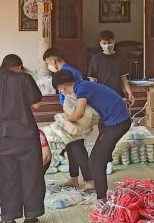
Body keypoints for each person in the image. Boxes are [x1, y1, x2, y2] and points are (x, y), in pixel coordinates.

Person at [0, 55, 47, 223]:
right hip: (27, 135)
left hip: (5, 137)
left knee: (8, 178)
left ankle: (9, 218)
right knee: (31, 174)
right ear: (19, 67)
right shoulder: (24, 78)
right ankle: (31, 215)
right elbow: (37, 104)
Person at [52, 69, 131, 203]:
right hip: (111, 121)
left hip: (117, 122)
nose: (62, 92)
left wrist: (63, 121)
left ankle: (101, 198)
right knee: (100, 156)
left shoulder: (82, 89)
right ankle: (102, 191)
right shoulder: (82, 85)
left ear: (62, 88)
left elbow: (79, 113)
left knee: (95, 161)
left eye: (60, 90)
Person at [43, 47, 91, 190]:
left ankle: (90, 181)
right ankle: (74, 178)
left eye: (48, 62)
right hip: (70, 113)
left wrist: (72, 117)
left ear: (53, 60)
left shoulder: (70, 72)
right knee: (70, 146)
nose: (49, 66)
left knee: (77, 147)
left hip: (76, 113)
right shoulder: (66, 71)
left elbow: (77, 96)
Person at [88, 30, 135, 108]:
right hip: (102, 96)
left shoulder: (120, 57)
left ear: (114, 41)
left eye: (109, 42)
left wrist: (129, 92)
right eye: (104, 43)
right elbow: (92, 80)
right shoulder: (95, 59)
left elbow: (123, 77)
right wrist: (95, 95)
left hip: (118, 94)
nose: (107, 45)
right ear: (100, 43)